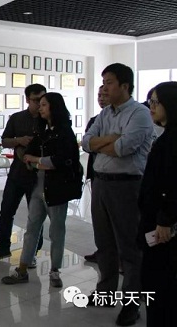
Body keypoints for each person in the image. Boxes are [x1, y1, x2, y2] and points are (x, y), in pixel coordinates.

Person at [81, 63, 153, 326]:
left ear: (125, 86)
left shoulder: (139, 113)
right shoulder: (105, 114)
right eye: (103, 82)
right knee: (105, 244)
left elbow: (123, 148)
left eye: (109, 82)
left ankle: (131, 304)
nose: (104, 87)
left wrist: (104, 143)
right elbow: (86, 142)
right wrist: (109, 138)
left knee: (129, 248)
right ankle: (106, 293)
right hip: (101, 184)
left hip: (126, 186)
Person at [1, 93, 82, 288]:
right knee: (32, 228)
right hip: (38, 184)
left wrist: (37, 161)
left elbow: (59, 161)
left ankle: (55, 271)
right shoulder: (43, 131)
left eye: (44, 105)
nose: (40, 108)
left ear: (54, 107)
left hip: (57, 188)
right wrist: (37, 161)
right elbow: (28, 154)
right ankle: (22, 268)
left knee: (56, 231)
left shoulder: (64, 132)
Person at [0, 84, 47, 265]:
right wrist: (19, 140)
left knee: (36, 216)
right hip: (17, 173)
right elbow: (4, 141)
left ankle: (33, 252)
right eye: (35, 100)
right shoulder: (17, 118)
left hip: (38, 175)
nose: (39, 103)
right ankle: (3, 247)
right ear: (27, 99)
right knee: (6, 210)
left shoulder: (47, 120)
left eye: (42, 99)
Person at [138, 81, 177, 327]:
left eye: (155, 102)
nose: (150, 106)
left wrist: (165, 218)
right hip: (157, 219)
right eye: (150, 101)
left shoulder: (173, 139)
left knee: (160, 282)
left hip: (164, 224)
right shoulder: (167, 135)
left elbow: (173, 183)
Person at [84, 86, 108, 262]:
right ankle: (103, 250)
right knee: (100, 218)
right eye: (99, 95)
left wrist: (98, 144)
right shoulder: (95, 120)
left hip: (118, 177)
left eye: (104, 94)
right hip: (97, 173)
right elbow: (87, 144)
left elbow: (123, 146)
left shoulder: (128, 118)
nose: (101, 98)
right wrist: (108, 144)